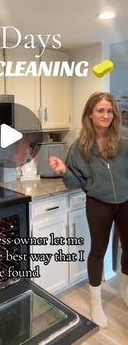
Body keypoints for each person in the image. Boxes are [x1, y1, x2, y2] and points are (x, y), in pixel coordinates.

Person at [49, 92, 128, 328]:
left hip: (126, 201)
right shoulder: (79, 147)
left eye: (109, 111)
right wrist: (64, 170)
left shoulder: (125, 140)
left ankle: (126, 292)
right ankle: (96, 303)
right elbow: (76, 183)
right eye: (100, 110)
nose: (106, 115)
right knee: (98, 251)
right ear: (90, 114)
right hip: (98, 203)